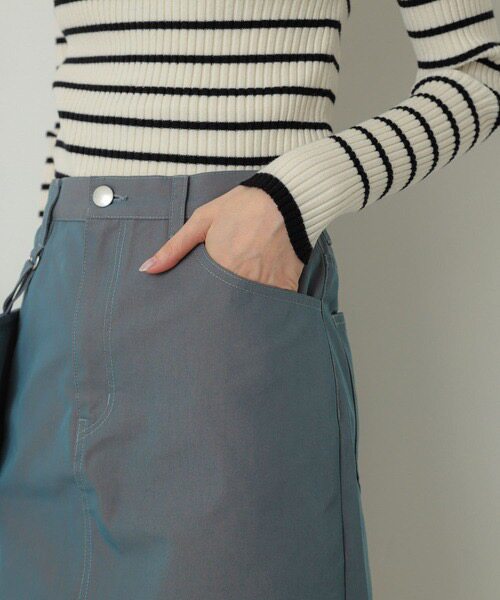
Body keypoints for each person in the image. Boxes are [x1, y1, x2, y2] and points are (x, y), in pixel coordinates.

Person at [0, 1, 498, 599]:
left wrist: (288, 200)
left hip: (224, 301)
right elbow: (81, 80)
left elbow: (481, 70)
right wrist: (45, 255)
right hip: (58, 302)